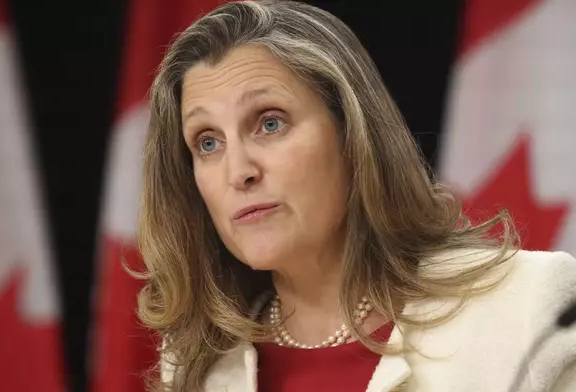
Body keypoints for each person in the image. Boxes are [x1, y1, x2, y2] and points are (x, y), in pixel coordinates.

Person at [135, 1, 576, 391]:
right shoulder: (196, 368)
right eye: (207, 142)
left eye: (270, 123)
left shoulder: (524, 309)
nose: (240, 172)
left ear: (353, 137)